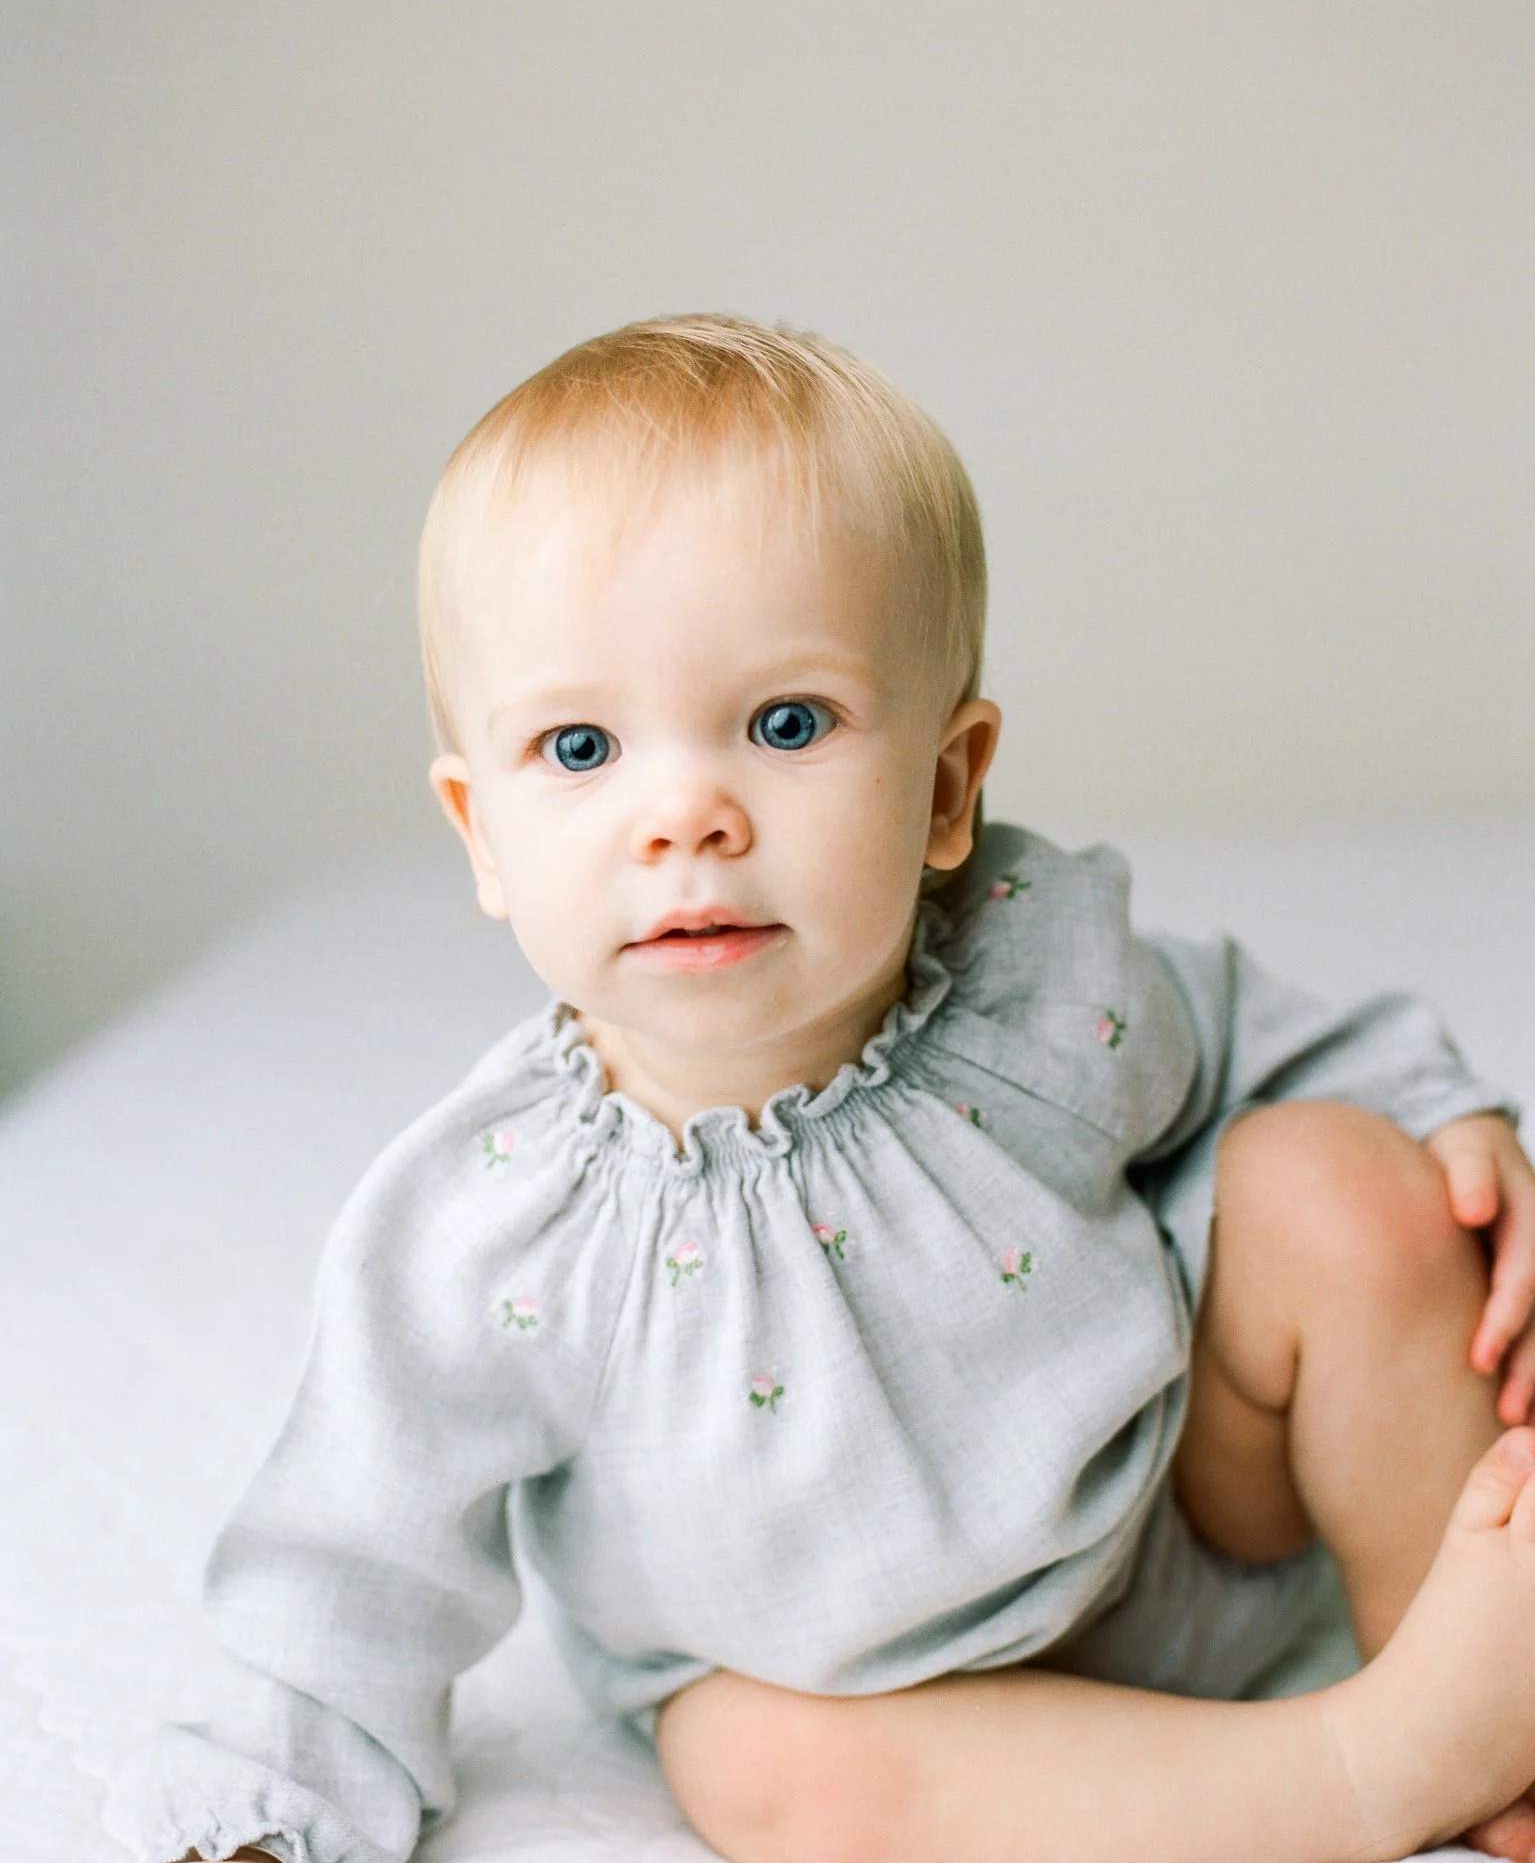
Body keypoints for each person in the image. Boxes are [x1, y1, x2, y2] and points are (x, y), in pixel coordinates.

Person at [110, 316, 1535, 1863]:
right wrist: (264, 1819)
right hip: (872, 1718)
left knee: (1342, 1179)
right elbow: (349, 1562)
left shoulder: (1030, 972)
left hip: (1172, 1540)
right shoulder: (486, 1231)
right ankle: (1383, 1763)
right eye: (579, 746)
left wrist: (1447, 1130)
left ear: (944, 785)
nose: (687, 817)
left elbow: (1259, 1033)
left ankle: (1471, 1661)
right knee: (751, 1764)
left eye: (786, 725)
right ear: (481, 834)